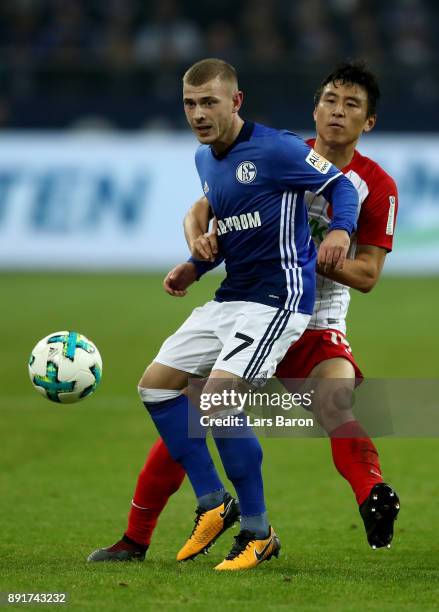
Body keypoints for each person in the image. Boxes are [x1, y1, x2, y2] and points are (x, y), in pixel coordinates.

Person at [88, 58, 359, 570]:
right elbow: (233, 224)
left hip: (277, 300)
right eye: (190, 104)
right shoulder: (204, 159)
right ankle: (213, 501)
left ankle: (258, 531)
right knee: (156, 385)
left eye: (209, 102)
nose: (198, 114)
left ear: (236, 101)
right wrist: (194, 264)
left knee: (215, 402)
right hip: (231, 297)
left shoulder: (277, 147)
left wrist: (341, 229)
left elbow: (340, 186)